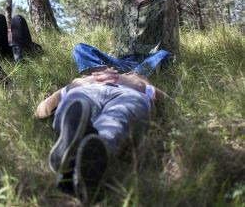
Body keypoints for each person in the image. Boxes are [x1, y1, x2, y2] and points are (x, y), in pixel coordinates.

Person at [35, 68, 167, 203]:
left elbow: (169, 103)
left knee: (116, 120)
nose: (111, 70)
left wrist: (144, 84)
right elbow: (41, 110)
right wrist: (73, 86)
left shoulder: (137, 80)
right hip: (85, 91)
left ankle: (82, 152)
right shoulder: (81, 81)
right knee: (77, 106)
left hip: (128, 95)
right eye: (105, 68)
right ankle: (84, 152)